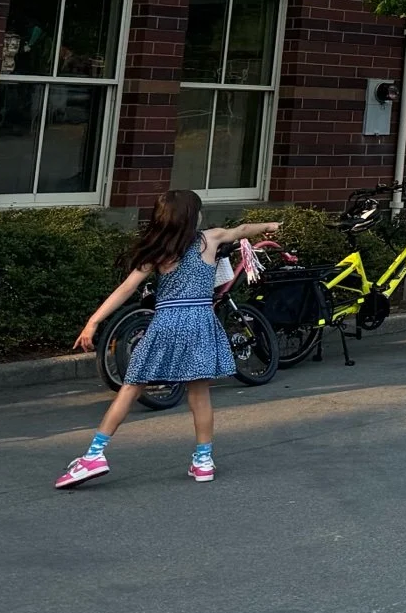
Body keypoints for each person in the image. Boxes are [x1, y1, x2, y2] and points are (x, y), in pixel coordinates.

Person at [56, 190, 280, 487]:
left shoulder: (159, 251)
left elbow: (126, 289)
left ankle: (94, 455)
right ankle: (203, 461)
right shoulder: (210, 239)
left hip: (167, 322)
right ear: (191, 215)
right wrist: (269, 226)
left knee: (131, 386)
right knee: (199, 393)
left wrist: (93, 322)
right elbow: (242, 230)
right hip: (201, 322)